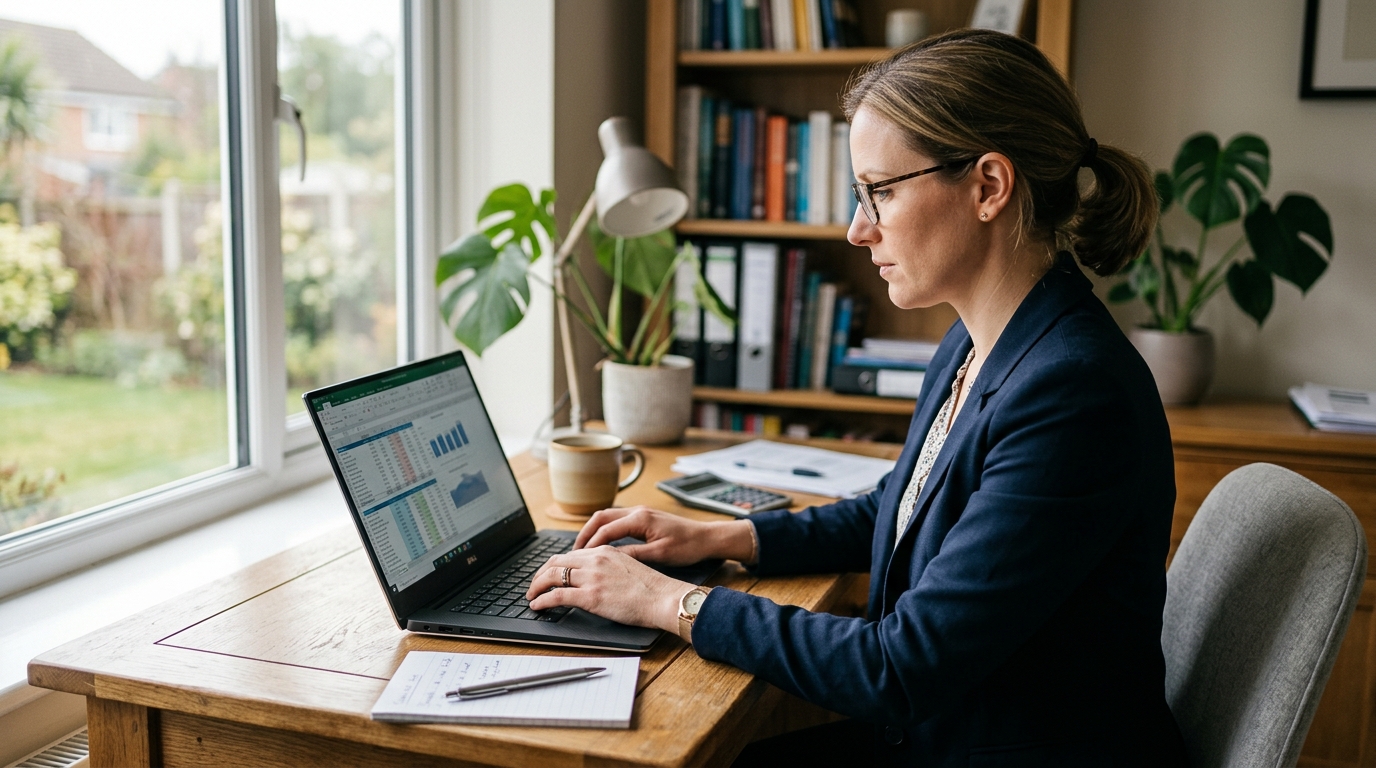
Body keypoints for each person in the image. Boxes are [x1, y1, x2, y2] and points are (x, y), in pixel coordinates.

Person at [526, 28, 1188, 767]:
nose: (857, 228)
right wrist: (726, 538)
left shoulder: (1072, 394)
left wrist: (668, 602)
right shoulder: (978, 340)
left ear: (989, 187)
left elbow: (899, 668)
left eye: (881, 191)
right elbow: (901, 506)